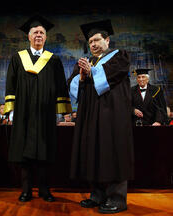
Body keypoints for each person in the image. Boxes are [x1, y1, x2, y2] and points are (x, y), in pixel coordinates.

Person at [4, 15, 72, 202]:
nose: (39, 35)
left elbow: (60, 86)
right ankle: (26, 190)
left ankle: (44, 190)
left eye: (42, 32)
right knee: (23, 152)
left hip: (46, 113)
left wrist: (60, 112)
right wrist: (11, 110)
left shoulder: (54, 60)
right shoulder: (18, 58)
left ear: (46, 37)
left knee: (45, 151)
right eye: (35, 32)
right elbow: (10, 84)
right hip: (23, 113)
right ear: (29, 36)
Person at [70, 19, 134, 214]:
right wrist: (81, 77)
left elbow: (110, 77)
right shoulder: (86, 62)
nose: (94, 44)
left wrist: (91, 72)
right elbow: (74, 89)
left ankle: (117, 198)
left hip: (112, 116)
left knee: (113, 153)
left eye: (97, 40)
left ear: (107, 40)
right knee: (93, 152)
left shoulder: (119, 57)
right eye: (90, 42)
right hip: (90, 116)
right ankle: (97, 195)